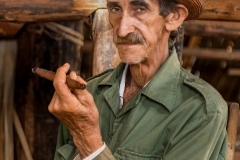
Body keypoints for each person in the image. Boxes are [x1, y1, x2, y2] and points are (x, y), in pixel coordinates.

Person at [49, 0, 228, 159]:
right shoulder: (87, 94)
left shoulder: (200, 110)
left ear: (174, 16)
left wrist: (89, 141)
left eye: (140, 9)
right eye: (115, 8)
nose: (122, 29)